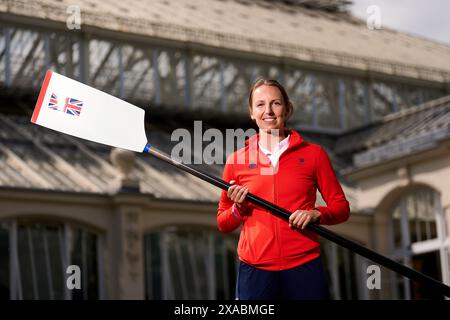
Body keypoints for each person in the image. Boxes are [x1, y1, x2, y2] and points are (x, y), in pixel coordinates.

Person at [217, 79, 350, 300]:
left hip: (303, 264)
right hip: (255, 268)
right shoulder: (236, 160)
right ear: (252, 112)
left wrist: (315, 214)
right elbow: (223, 222)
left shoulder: (313, 154)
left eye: (275, 103)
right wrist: (238, 209)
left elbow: (341, 208)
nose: (268, 111)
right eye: (260, 105)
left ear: (287, 109)